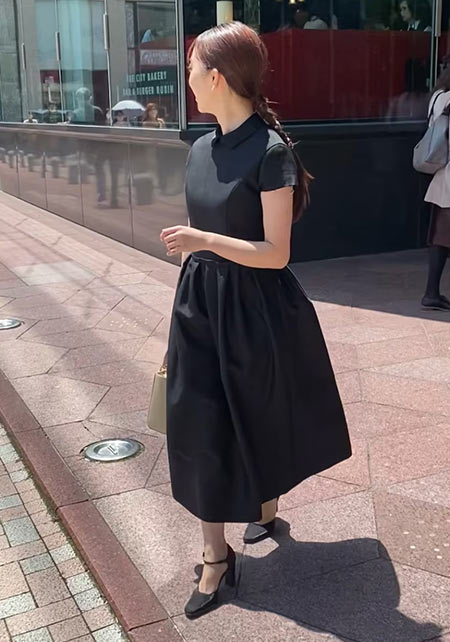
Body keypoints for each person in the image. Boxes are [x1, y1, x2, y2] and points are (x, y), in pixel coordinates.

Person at [160, 21, 352, 620]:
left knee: (257, 415)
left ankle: (264, 509)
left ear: (217, 77)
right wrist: (181, 315)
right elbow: (201, 246)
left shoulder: (271, 153)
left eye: (192, 69)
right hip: (199, 304)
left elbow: (276, 252)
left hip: (255, 309)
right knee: (198, 425)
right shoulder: (199, 149)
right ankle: (215, 557)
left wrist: (202, 240)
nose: (188, 80)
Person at [421, 55, 450, 310]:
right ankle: (431, 293)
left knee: (440, 237)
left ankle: (432, 292)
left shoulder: (438, 96)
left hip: (442, 176)